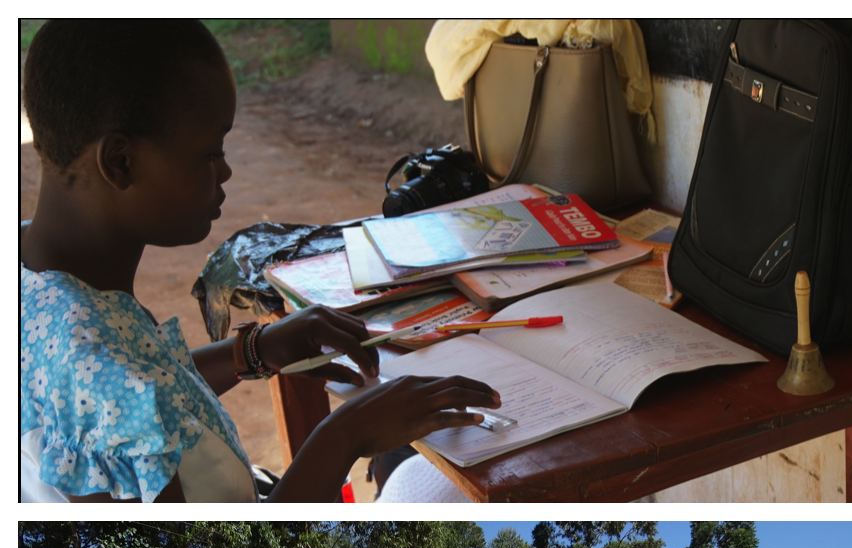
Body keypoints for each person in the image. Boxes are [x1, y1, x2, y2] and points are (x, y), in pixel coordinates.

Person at [19, 19, 502, 503]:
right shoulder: (93, 367)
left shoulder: (38, 276)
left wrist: (254, 351)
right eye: (210, 154)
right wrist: (344, 436)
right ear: (120, 162)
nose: (226, 170)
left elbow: (151, 398)